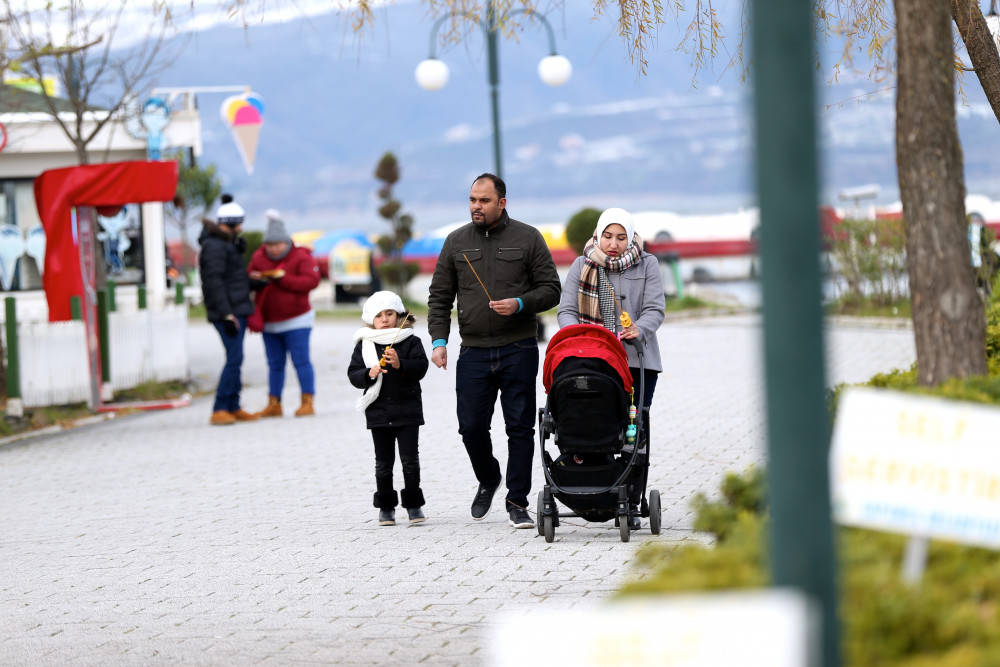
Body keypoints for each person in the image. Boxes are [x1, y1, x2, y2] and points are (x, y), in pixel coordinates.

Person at [427, 173, 561, 529]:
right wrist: (439, 341)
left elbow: (551, 289)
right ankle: (489, 477)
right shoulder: (456, 242)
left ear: (502, 202)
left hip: (518, 347)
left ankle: (517, 500)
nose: (476, 206)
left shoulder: (528, 237)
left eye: (484, 201)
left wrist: (519, 303)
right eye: (472, 199)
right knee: (470, 427)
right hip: (472, 351)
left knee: (519, 428)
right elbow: (439, 297)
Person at [557, 207, 665, 529]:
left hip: (635, 360)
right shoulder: (582, 264)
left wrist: (640, 330)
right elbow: (566, 311)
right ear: (598, 236)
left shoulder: (648, 264)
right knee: (597, 426)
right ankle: (595, 490)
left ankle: (630, 499)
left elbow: (655, 309)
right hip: (592, 361)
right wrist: (580, 337)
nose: (613, 244)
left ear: (631, 238)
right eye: (607, 236)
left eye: (621, 237)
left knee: (632, 432)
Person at [348, 291, 429, 526]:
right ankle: (386, 506)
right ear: (370, 320)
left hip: (407, 411)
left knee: (410, 460)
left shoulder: (410, 340)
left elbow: (421, 368)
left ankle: (414, 505)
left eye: (390, 314)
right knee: (383, 463)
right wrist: (368, 373)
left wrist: (400, 364)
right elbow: (353, 374)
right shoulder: (365, 344)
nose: (384, 319)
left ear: (399, 315)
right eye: (379, 315)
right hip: (379, 412)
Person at [248, 210, 321, 418]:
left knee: (301, 360)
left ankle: (307, 401)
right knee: (274, 363)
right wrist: (255, 279)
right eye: (270, 245)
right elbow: (249, 276)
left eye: (278, 244)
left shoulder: (301, 256)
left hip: (298, 320)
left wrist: (282, 279)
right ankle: (274, 403)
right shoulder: (259, 257)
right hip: (269, 322)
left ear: (286, 241)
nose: (274, 249)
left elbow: (311, 282)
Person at [199, 194, 259, 426]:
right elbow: (213, 281)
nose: (242, 228)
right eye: (239, 223)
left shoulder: (223, 243)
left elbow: (232, 279)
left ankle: (233, 406)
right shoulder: (215, 246)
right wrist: (226, 313)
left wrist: (253, 281)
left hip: (235, 307)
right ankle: (220, 408)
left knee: (236, 357)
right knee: (234, 358)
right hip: (228, 312)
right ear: (232, 223)